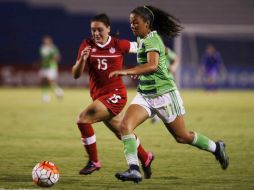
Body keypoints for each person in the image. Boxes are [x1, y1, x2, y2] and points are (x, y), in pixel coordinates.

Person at [109, 5, 229, 183]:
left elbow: (152, 66)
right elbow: (159, 56)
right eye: (130, 23)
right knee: (125, 127)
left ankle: (216, 147)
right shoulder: (143, 39)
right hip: (145, 95)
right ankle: (134, 169)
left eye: (136, 23)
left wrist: (128, 71)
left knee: (182, 137)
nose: (132, 26)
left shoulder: (152, 39)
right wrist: (143, 68)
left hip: (165, 95)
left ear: (147, 23)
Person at [72, 13, 154, 178]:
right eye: (93, 30)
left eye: (100, 30)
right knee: (122, 132)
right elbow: (75, 74)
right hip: (99, 96)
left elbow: (146, 48)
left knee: (83, 119)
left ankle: (94, 161)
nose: (96, 34)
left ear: (108, 29)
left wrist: (142, 66)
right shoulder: (86, 44)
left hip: (115, 95)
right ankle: (146, 157)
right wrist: (82, 60)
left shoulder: (119, 45)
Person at [151, 46, 179, 124]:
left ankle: (162, 115)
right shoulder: (149, 50)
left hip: (168, 78)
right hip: (157, 79)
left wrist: (173, 67)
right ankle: (158, 115)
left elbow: (175, 58)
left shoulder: (163, 48)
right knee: (159, 98)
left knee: (171, 99)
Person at [39, 35, 63, 102]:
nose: (46, 42)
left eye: (47, 41)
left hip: (51, 67)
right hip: (44, 67)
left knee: (49, 81)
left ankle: (58, 91)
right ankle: (46, 95)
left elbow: (57, 57)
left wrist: (54, 57)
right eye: (45, 41)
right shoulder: (42, 48)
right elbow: (42, 58)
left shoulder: (53, 48)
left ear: (50, 41)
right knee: (43, 81)